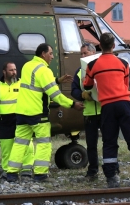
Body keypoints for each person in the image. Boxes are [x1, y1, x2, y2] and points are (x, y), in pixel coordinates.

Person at [83, 32, 130, 188]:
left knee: (109, 141)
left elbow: (87, 86)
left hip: (107, 107)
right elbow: (125, 84)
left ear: (100, 46)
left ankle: (112, 179)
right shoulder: (123, 63)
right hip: (124, 104)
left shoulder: (92, 65)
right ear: (113, 45)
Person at [6, 43, 84, 182]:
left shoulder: (27, 66)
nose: (53, 56)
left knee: (19, 144)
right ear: (43, 54)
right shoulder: (44, 70)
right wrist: (73, 104)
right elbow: (56, 95)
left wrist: (57, 80)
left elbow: (36, 84)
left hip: (22, 113)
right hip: (37, 114)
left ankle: (11, 174)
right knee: (43, 144)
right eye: (51, 53)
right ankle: (40, 175)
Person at [0, 62, 35, 179]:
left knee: (26, 145)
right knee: (6, 147)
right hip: (5, 120)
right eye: (11, 70)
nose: (14, 72)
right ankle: (8, 171)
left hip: (21, 118)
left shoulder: (22, 83)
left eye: (15, 69)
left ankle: (26, 169)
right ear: (4, 72)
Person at [71, 42, 101, 181]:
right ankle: (92, 171)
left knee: (110, 142)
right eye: (81, 54)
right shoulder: (79, 71)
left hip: (104, 111)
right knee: (91, 145)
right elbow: (74, 90)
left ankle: (113, 169)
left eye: (85, 53)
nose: (82, 56)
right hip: (89, 113)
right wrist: (82, 95)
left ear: (93, 53)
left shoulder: (102, 67)